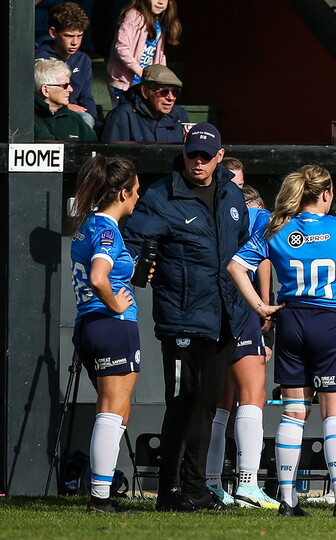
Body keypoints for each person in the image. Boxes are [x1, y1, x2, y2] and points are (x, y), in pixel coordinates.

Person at [229, 164, 336, 519]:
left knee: (293, 412)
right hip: (335, 321)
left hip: (292, 319)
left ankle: (287, 500)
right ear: (326, 193)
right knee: (335, 414)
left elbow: (236, 266)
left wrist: (260, 306)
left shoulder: (277, 227)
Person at [124, 122, 248, 512]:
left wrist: (255, 304)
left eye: (206, 156)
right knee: (182, 403)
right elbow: (130, 248)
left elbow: (244, 249)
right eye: (193, 154)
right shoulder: (161, 195)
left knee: (208, 406)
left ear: (220, 157)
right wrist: (143, 268)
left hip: (225, 316)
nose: (198, 162)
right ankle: (167, 491)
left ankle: (196, 489)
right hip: (182, 318)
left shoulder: (232, 194)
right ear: (184, 152)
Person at [70, 155, 143, 513]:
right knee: (112, 412)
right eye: (136, 191)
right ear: (123, 192)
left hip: (87, 325)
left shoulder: (86, 225)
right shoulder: (107, 230)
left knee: (113, 410)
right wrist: (115, 303)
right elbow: (99, 276)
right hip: (112, 325)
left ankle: (103, 487)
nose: (138, 198)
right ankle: (100, 498)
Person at [204, 173, 278, 510]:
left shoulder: (207, 212)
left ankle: (212, 484)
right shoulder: (256, 216)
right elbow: (263, 255)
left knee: (220, 403)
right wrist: (263, 304)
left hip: (209, 309)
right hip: (239, 306)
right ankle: (248, 483)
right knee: (252, 396)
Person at [107, 0, 181, 107]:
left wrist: (162, 76)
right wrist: (140, 71)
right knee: (126, 116)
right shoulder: (134, 16)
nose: (161, 2)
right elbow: (121, 48)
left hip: (143, 83)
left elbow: (159, 55)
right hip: (124, 82)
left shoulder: (158, 22)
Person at [34, 2, 96, 129]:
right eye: (69, 36)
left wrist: (92, 116)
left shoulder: (83, 60)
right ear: (53, 32)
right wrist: (67, 107)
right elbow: (36, 98)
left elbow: (86, 97)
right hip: (47, 116)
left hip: (77, 115)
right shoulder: (39, 58)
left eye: (79, 36)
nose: (75, 42)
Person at [101, 64, 189, 143]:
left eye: (175, 92)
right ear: (145, 91)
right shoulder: (122, 116)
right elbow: (114, 157)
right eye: (163, 92)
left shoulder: (179, 114)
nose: (171, 98)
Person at [33, 58, 96, 142]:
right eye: (65, 85)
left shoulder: (75, 120)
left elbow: (92, 150)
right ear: (45, 90)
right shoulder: (25, 120)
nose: (71, 89)